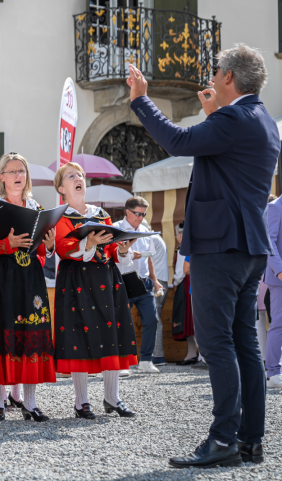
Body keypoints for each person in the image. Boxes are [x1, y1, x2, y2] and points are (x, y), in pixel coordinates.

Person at [128, 44, 277, 467]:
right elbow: (227, 158)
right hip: (249, 247)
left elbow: (177, 140)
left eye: (215, 73)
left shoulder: (234, 118)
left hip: (220, 246)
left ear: (229, 77)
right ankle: (250, 441)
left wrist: (141, 98)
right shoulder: (261, 120)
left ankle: (223, 438)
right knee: (245, 345)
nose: (210, 79)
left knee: (217, 344)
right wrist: (214, 115)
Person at [0, 153, 57, 422]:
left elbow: (42, 250)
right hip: (1, 276)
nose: (18, 175)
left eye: (22, 170)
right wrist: (6, 243)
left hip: (30, 277)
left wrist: (50, 243)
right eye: (12, 171)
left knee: (30, 334)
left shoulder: (37, 207)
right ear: (2, 177)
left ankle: (30, 403)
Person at [53, 162, 138, 421]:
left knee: (111, 334)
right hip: (76, 281)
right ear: (61, 188)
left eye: (80, 175)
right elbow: (62, 247)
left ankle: (112, 398)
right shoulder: (60, 215)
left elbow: (110, 246)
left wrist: (121, 249)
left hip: (106, 278)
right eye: (71, 176)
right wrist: (87, 242)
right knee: (78, 335)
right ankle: (82, 402)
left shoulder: (101, 213)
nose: (78, 178)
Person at [113, 196, 163, 373]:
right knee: (121, 323)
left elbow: (148, 258)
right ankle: (122, 363)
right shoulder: (117, 228)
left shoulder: (145, 229)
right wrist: (132, 254)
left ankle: (146, 361)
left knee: (152, 320)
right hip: (123, 281)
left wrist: (155, 281)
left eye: (144, 214)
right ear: (127, 212)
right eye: (138, 214)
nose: (141, 218)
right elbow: (115, 255)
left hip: (144, 282)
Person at [171, 223, 198, 365]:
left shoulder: (183, 249)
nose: (176, 237)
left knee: (189, 319)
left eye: (177, 235)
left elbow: (181, 271)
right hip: (189, 282)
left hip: (186, 284)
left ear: (181, 235)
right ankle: (192, 353)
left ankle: (196, 354)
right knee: (189, 320)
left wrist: (175, 283)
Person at [263, 196, 282, 389]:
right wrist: (280, 270)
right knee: (279, 323)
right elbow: (269, 241)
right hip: (279, 277)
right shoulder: (275, 207)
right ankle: (273, 372)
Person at [147, 230, 169, 365]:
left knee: (155, 318)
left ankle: (158, 355)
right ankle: (157, 355)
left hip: (157, 281)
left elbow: (145, 259)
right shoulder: (157, 237)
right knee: (156, 316)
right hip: (162, 279)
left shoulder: (149, 238)